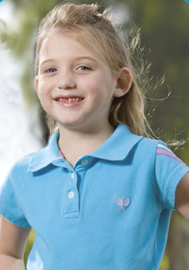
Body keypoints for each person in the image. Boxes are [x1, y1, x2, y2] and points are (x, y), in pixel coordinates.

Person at [0, 2, 189, 270]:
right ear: (39, 84)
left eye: (83, 68)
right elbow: (6, 253)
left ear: (120, 83)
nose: (65, 81)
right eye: (51, 70)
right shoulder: (24, 175)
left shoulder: (151, 161)